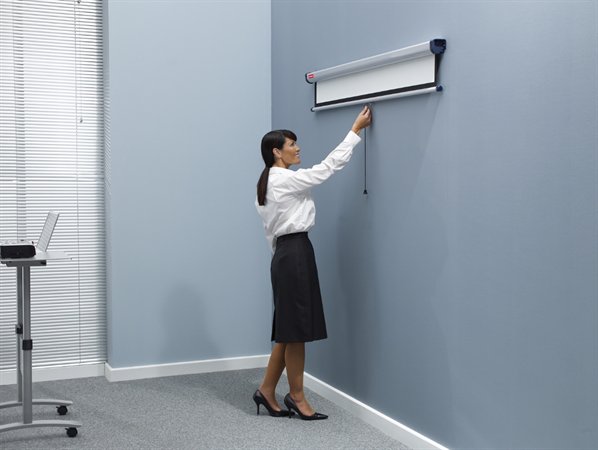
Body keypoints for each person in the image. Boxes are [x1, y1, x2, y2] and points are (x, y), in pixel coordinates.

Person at [253, 105, 372, 420]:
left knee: (289, 328)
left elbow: (271, 235)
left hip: (285, 254)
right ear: (277, 152)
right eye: (292, 144)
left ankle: (266, 390)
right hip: (295, 254)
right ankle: (297, 396)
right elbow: (327, 168)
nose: (298, 148)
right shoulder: (282, 179)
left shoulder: (267, 182)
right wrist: (354, 131)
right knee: (296, 330)